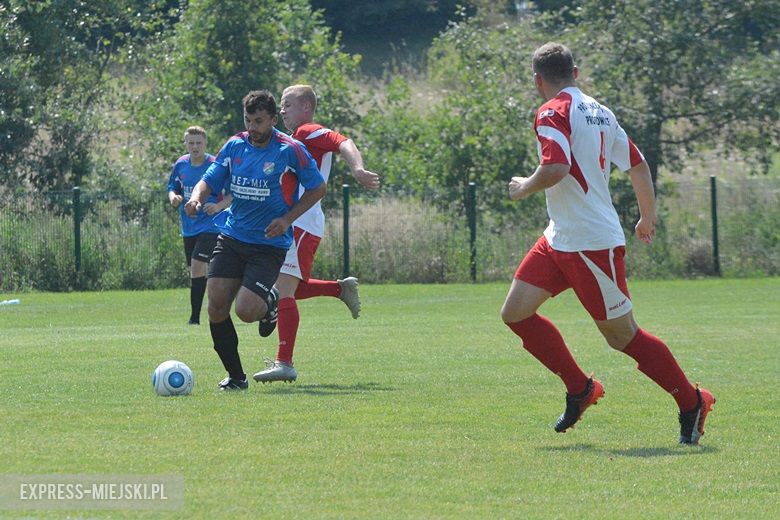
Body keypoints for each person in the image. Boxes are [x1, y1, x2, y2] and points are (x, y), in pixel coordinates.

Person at [501, 42, 715, 444]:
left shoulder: (550, 111)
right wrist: (647, 216)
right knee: (515, 313)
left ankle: (692, 400)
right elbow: (636, 163)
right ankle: (580, 388)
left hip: (590, 244)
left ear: (537, 81)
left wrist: (522, 187)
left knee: (622, 336)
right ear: (576, 72)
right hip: (559, 237)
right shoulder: (600, 111)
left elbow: (556, 167)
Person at [185, 90, 326, 391]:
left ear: (273, 120)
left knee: (246, 311)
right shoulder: (235, 145)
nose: (253, 127)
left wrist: (287, 219)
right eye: (248, 120)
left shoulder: (290, 150)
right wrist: (196, 198)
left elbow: (317, 188)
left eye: (259, 121)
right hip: (233, 236)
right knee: (216, 306)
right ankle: (236, 377)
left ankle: (270, 301)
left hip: (268, 244)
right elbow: (209, 179)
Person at [252, 84, 380, 384]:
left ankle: (284, 362)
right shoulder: (290, 139)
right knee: (288, 289)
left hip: (302, 222)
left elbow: (343, 141)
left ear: (306, 107)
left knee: (283, 289)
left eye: (287, 105)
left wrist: (358, 169)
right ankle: (339, 289)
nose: (282, 111)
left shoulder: (308, 130)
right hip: (296, 221)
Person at [167, 126, 232, 325]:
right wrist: (174, 198)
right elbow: (172, 188)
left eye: (199, 143)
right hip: (189, 227)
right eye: (191, 143)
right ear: (185, 144)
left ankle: (194, 318)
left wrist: (218, 206)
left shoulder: (215, 165)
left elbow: (232, 194)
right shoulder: (181, 164)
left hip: (211, 226)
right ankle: (224, 292)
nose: (195, 146)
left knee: (197, 266)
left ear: (205, 143)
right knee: (198, 270)